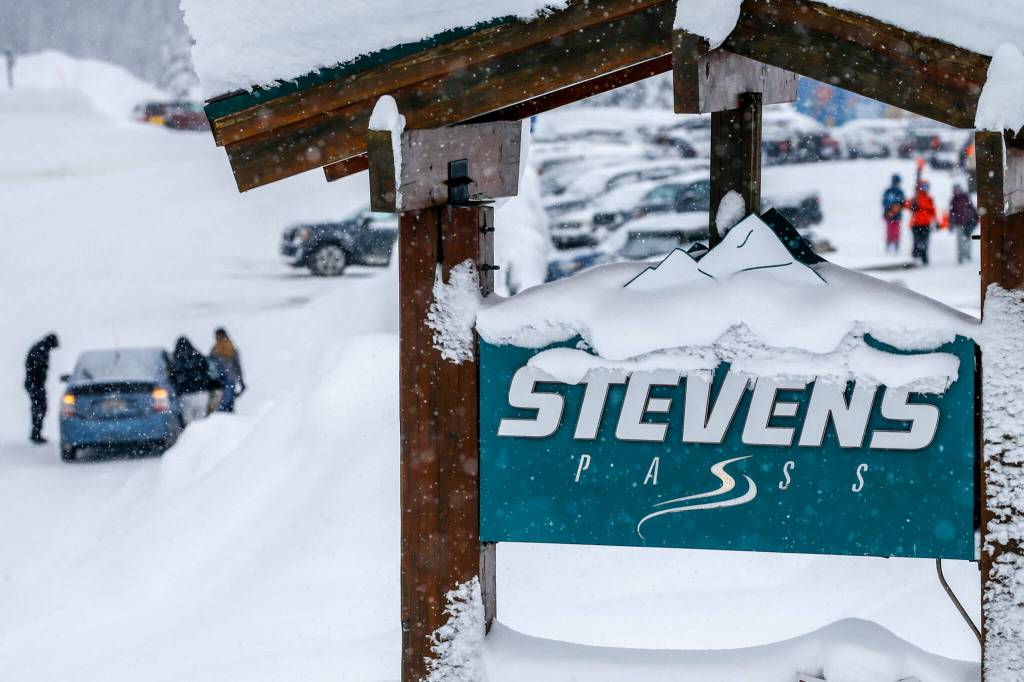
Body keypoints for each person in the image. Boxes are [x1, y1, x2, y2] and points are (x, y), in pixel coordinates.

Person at [24, 333, 59, 444]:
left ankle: (36, 432)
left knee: (39, 407)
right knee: (39, 408)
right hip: (35, 384)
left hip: (35, 384)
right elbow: (36, 367)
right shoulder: (41, 349)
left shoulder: (41, 348)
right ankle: (36, 433)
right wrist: (38, 379)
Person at [171, 336, 212, 424]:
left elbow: (173, 377)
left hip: (186, 395)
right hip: (202, 393)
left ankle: (191, 436)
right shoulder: (198, 356)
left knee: (189, 423)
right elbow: (207, 371)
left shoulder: (176, 360)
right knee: (201, 422)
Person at [209, 328, 244, 412]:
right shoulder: (231, 347)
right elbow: (237, 366)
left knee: (221, 403)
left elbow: (211, 366)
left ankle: (221, 418)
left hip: (218, 380)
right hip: (231, 378)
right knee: (229, 402)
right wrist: (241, 380)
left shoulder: (215, 349)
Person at [906, 180, 937, 266]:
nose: (925, 189)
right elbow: (907, 205)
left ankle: (924, 257)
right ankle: (915, 257)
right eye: (924, 187)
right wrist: (912, 205)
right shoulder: (915, 198)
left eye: (927, 187)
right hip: (915, 224)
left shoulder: (929, 199)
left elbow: (933, 211)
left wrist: (935, 221)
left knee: (925, 241)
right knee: (916, 241)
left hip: (925, 224)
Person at [949, 185, 979, 264]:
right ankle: (960, 257)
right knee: (960, 241)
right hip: (958, 223)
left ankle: (967, 255)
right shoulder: (953, 200)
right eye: (955, 190)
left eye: (958, 190)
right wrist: (951, 223)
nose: (957, 192)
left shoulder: (966, 197)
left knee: (967, 239)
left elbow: (972, 208)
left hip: (967, 222)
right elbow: (951, 213)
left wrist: (975, 218)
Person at [881, 174, 905, 253]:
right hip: (891, 215)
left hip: (894, 215)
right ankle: (890, 246)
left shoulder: (897, 191)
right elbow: (884, 202)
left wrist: (892, 210)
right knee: (891, 231)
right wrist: (890, 210)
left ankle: (895, 246)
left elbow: (901, 203)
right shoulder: (891, 191)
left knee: (894, 231)